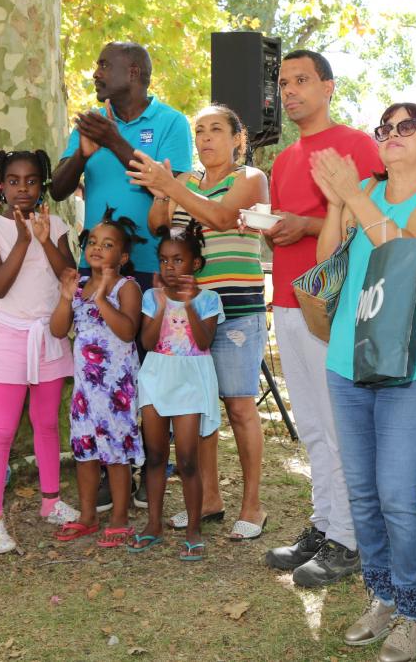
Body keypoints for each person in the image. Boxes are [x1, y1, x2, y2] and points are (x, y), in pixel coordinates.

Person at [310, 103, 416, 662]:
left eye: (406, 128)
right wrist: (336, 204)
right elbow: (330, 265)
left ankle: (413, 611)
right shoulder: (363, 193)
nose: (392, 136)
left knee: (399, 494)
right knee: (364, 492)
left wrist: (351, 197)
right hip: (350, 359)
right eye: (385, 128)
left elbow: (403, 250)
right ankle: (381, 596)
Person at [50, 40, 192, 509]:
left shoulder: (171, 123)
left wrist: (112, 140)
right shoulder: (92, 121)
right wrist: (85, 151)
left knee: (146, 373)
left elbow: (164, 184)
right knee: (104, 369)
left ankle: (150, 466)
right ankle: (116, 473)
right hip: (101, 270)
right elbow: (59, 187)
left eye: (102, 64)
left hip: (156, 267)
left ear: (132, 72)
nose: (94, 72)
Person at [263, 49, 382, 587]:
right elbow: (286, 223)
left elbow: (375, 222)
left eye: (302, 81)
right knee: (311, 424)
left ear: (329, 87)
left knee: (339, 427)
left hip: (332, 309)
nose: (289, 91)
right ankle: (325, 524)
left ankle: (352, 540)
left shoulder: (358, 145)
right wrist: (268, 226)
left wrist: (307, 226)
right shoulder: (284, 159)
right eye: (284, 83)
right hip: (287, 303)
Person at [130, 103, 270, 540]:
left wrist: (173, 186)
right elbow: (159, 226)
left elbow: (222, 217)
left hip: (240, 311)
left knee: (240, 404)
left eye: (215, 130)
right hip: (196, 310)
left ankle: (253, 506)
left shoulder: (249, 179)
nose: (206, 139)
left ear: (237, 140)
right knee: (202, 406)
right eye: (200, 131)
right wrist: (162, 194)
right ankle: (209, 498)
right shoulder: (187, 181)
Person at [0, 149, 79, 554]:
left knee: (47, 423)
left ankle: (51, 501)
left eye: (31, 181)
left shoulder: (58, 224)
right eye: (13, 181)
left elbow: (68, 275)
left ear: (42, 185)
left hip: (49, 335)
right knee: (1, 429)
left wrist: (45, 239)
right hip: (12, 337)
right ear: (0, 186)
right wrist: (21, 239)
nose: (22, 189)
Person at [48, 212, 146, 546]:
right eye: (92, 242)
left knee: (116, 454)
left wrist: (102, 298)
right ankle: (88, 515)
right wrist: (65, 297)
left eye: (108, 245)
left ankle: (119, 517)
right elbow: (59, 330)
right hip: (86, 392)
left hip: (116, 389)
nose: (97, 249)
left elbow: (128, 331)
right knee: (85, 452)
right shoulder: (78, 286)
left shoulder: (126, 287)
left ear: (123, 257)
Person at [131, 223, 224, 560]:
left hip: (190, 379)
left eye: (178, 261)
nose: (170, 268)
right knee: (155, 456)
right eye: (164, 261)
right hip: (157, 374)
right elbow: (146, 341)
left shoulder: (210, 299)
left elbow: (202, 341)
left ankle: (194, 529)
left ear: (195, 264)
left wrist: (186, 304)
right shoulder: (150, 297)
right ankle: (153, 524)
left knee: (186, 459)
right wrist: (161, 304)